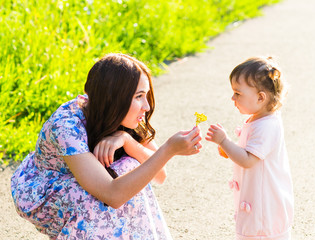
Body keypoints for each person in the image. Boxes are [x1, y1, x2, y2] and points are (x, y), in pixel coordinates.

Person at [11, 53, 202, 239]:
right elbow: (112, 195)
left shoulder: (128, 116)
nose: (147, 106)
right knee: (111, 191)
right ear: (114, 98)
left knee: (130, 172)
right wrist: (168, 149)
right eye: (139, 96)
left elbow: (159, 176)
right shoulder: (66, 125)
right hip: (43, 196)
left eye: (146, 95)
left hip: (85, 183)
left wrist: (127, 140)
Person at [205, 57, 294, 240]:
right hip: (257, 201)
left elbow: (247, 160)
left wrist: (224, 141)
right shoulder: (259, 118)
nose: (232, 98)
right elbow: (247, 152)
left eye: (238, 93)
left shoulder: (266, 126)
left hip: (264, 209)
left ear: (261, 97)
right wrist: (230, 149)